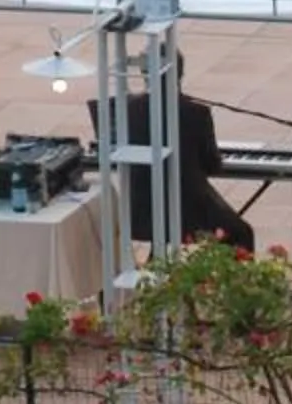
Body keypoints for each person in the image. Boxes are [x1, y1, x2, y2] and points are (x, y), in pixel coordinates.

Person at [84, 46, 254, 251]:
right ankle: (224, 281)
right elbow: (211, 166)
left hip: (141, 211)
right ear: (179, 73)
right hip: (188, 212)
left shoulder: (126, 109)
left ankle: (162, 259)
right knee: (242, 233)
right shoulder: (196, 113)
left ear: (145, 74)